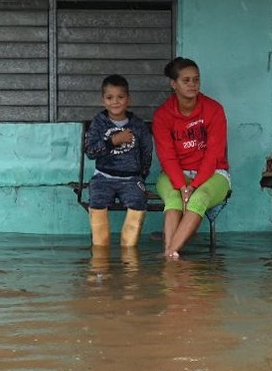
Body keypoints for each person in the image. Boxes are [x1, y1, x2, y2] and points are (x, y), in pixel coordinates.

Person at [152, 57, 231, 259]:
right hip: (173, 174)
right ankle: (172, 255)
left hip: (214, 174)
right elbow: (167, 157)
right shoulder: (163, 115)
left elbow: (213, 155)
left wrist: (193, 186)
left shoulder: (214, 110)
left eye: (196, 79)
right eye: (186, 80)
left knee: (199, 198)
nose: (192, 84)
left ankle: (169, 254)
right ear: (173, 84)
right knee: (173, 199)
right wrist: (181, 185)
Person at [83, 74, 153, 249]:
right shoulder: (99, 123)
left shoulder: (137, 125)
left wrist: (141, 175)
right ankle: (101, 254)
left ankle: (128, 254)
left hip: (131, 178)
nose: (115, 102)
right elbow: (90, 152)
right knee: (97, 200)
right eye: (110, 97)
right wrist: (113, 141)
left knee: (138, 201)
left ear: (128, 99)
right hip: (103, 176)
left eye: (120, 97)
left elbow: (146, 152)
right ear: (103, 101)